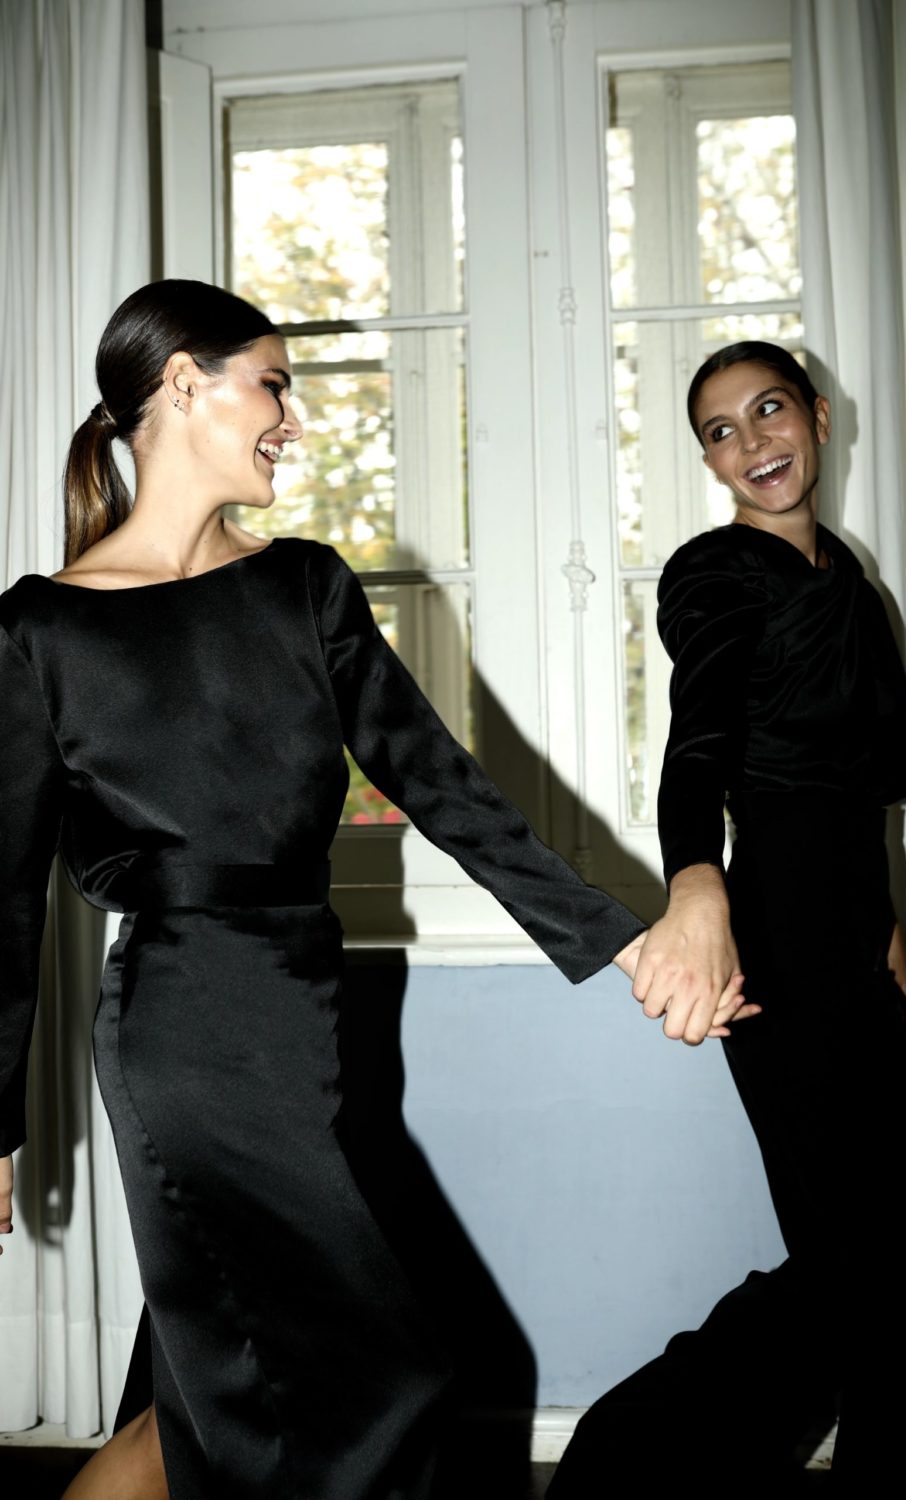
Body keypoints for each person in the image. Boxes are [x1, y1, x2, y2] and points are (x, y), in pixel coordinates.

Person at [0, 280, 755, 1500]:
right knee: (380, 1384)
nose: (290, 419)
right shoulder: (40, 630)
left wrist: (629, 944)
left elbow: (446, 789)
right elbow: (3, 902)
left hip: (307, 1019)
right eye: (273, 385)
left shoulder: (305, 587)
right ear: (184, 384)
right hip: (183, 1037)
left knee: (195, 1415)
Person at [548, 341, 906, 1491]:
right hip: (779, 946)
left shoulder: (852, 585)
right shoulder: (714, 573)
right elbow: (695, 748)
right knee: (891, 1261)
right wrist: (694, 883)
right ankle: (623, 1467)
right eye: (720, 430)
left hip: (853, 940)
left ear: (819, 417)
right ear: (708, 462)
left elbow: (862, 798)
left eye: (768, 410)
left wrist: (889, 934)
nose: (751, 442)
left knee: (899, 1265)